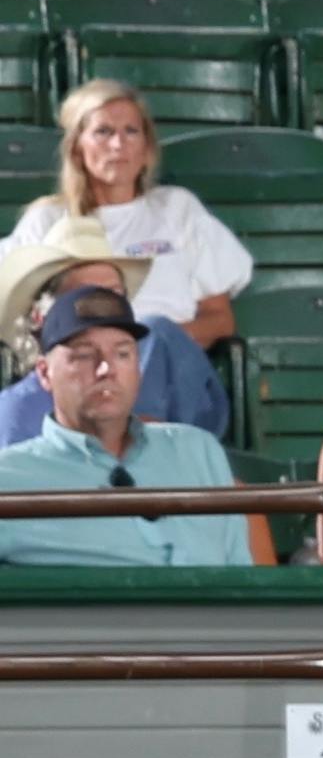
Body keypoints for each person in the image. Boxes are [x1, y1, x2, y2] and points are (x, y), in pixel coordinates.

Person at [0, 285, 250, 566]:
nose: (106, 369)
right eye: (83, 355)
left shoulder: (198, 450)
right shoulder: (8, 477)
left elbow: (242, 575)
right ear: (45, 373)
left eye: (123, 354)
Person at [4, 81, 248, 366]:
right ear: (77, 148)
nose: (118, 144)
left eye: (131, 132)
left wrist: (148, 346)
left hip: (171, 366)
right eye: (103, 132)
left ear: (147, 149)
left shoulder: (178, 209)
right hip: (80, 369)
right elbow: (14, 314)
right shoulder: (47, 219)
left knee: (154, 331)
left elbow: (220, 319)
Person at [0, 217, 228, 446]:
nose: (105, 308)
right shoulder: (15, 413)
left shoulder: (154, 350)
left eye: (115, 294)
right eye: (85, 296)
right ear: (41, 316)